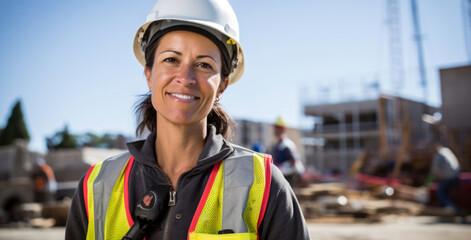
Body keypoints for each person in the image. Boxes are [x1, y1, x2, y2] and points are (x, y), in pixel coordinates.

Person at [65, 0, 310, 239]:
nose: (186, 77)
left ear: (222, 84)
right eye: (171, 59)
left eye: (204, 65)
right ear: (149, 74)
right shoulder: (97, 187)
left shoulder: (264, 185)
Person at [271, 116, 305, 188]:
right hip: (283, 177)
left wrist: (281, 168)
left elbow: (294, 163)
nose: (275, 131)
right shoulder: (278, 145)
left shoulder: (286, 145)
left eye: (277, 129)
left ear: (281, 130)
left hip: (289, 177)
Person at [431, 143, 461, 214]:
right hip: (456, 175)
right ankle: (449, 206)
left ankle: (450, 207)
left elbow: (436, 169)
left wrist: (437, 177)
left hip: (449, 177)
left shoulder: (439, 155)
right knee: (446, 190)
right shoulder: (447, 151)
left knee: (440, 192)